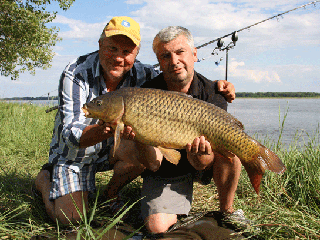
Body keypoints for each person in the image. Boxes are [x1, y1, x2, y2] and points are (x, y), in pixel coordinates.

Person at [34, 17, 235, 225]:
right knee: (70, 219)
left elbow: (176, 73)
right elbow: (71, 136)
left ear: (136, 53)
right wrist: (107, 127)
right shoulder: (75, 73)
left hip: (112, 150)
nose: (119, 58)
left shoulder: (144, 73)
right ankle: (44, 181)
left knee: (141, 140)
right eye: (112, 48)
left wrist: (217, 85)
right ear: (100, 45)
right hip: (75, 156)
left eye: (126, 52)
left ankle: (111, 193)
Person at [139, 26, 246, 233]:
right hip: (166, 170)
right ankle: (172, 206)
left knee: (232, 150)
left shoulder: (214, 94)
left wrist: (201, 157)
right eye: (165, 56)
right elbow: (152, 162)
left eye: (180, 52)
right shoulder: (147, 94)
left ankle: (227, 210)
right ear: (159, 63)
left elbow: (203, 163)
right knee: (156, 228)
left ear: (194, 54)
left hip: (203, 163)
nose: (174, 61)